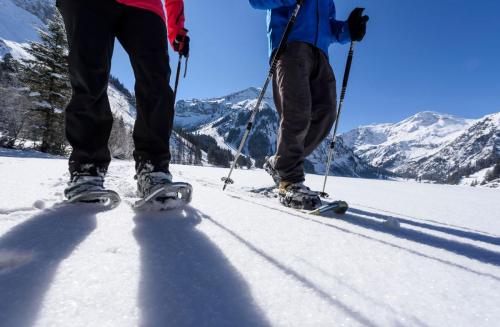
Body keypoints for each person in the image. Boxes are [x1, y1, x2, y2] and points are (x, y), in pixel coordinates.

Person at [57, 0, 190, 200]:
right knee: (88, 77)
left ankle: (153, 169)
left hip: (145, 5)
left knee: (157, 83)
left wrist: (176, 27)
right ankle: (87, 169)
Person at [249, 0, 368, 210]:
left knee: (327, 113)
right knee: (298, 110)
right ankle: (289, 180)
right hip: (290, 45)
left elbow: (328, 28)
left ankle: (281, 162)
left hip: (321, 54)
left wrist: (348, 30)